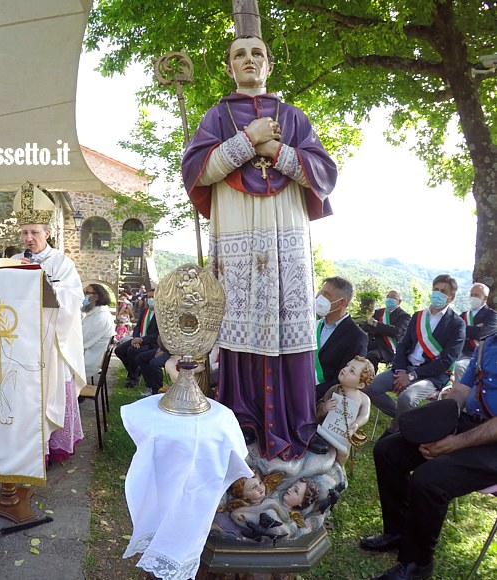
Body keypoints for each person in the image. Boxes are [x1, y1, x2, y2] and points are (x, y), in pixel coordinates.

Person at [181, 35, 338, 460]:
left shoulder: (293, 117)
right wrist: (248, 140)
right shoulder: (216, 116)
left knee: (287, 325)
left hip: (285, 232)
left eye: (257, 54)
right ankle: (243, 421)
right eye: (239, 55)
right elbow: (199, 171)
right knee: (241, 323)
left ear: (269, 65)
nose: (249, 60)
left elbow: (322, 175)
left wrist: (277, 148)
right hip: (237, 232)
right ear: (230, 68)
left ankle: (299, 422)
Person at [360, 333, 497, 580]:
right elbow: (460, 392)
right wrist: (440, 429)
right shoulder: (488, 343)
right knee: (388, 451)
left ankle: (418, 564)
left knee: (428, 479)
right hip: (469, 424)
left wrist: (453, 443)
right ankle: (398, 531)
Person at [11, 181, 86, 463]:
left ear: (48, 232)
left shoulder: (61, 263)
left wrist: (48, 289)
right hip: (21, 341)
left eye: (34, 232)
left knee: (51, 394)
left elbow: (72, 300)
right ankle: (27, 445)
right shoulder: (15, 260)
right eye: (24, 232)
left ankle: (52, 449)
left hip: (51, 342)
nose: (29, 238)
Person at [364, 274, 465, 434]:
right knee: (371, 388)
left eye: (443, 291)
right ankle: (407, 420)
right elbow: (403, 346)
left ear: (451, 297)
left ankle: (394, 429)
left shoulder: (457, 324)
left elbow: (446, 361)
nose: (437, 294)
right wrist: (401, 371)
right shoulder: (419, 316)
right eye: (435, 289)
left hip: (432, 375)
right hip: (406, 368)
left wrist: (411, 376)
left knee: (406, 398)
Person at [314, 277, 368, 400]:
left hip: (323, 398)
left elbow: (346, 381)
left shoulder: (356, 337)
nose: (320, 298)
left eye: (326, 295)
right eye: (321, 293)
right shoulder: (314, 325)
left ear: (342, 303)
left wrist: (308, 392)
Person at [316, 356, 374, 466]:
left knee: (342, 452)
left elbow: (365, 415)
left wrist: (357, 423)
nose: (345, 369)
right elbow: (320, 405)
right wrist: (325, 407)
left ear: (360, 384)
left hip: (345, 433)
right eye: (347, 365)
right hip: (325, 429)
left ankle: (339, 468)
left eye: (352, 371)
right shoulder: (334, 389)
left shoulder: (363, 399)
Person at [114, 288, 158, 389]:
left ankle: (132, 379)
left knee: (132, 351)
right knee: (119, 350)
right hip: (139, 338)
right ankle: (136, 371)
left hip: (151, 343)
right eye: (149, 297)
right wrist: (135, 338)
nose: (150, 299)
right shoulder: (145, 311)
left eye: (153, 297)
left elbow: (158, 334)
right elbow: (138, 326)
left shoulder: (162, 314)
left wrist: (142, 340)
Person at [454, 282, 497, 382]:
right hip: (459, 352)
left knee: (459, 367)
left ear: (485, 298)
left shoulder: (492, 316)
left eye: (477, 295)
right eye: (472, 295)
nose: (473, 297)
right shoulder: (463, 315)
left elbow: (481, 334)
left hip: (478, 355)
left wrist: (464, 330)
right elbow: (453, 332)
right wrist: (474, 329)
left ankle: (460, 396)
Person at [362, 290, 412, 373]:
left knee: (371, 356)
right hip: (373, 343)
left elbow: (395, 332)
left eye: (393, 297)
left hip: (388, 348)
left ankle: (370, 379)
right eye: (388, 297)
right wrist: (382, 329)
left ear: (399, 301)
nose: (389, 299)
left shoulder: (404, 316)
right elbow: (366, 326)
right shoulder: (379, 312)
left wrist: (376, 324)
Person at [81, 283, 115, 380]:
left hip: (90, 359)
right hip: (87, 353)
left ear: (97, 296)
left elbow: (82, 341)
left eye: (87, 293)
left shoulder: (100, 317)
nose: (83, 296)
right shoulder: (94, 313)